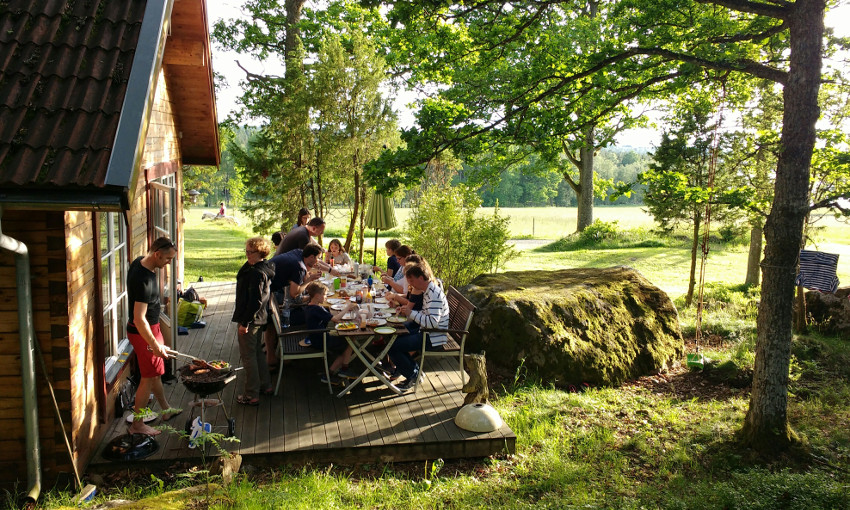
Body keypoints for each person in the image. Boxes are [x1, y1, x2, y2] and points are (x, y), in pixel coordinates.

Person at [126, 237, 179, 435]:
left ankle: (165, 410)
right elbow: (139, 318)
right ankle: (137, 425)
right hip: (144, 333)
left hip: (149, 330)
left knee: (155, 371)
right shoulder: (145, 280)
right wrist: (155, 345)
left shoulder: (138, 262)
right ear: (157, 254)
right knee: (147, 377)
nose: (169, 263)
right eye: (167, 259)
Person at [264, 244, 339, 367]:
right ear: (310, 256)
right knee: (319, 314)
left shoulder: (300, 252)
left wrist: (329, 270)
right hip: (274, 295)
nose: (317, 262)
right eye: (317, 258)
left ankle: (271, 355)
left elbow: (314, 263)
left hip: (268, 287)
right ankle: (318, 342)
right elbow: (294, 293)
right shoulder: (299, 268)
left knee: (271, 323)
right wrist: (309, 281)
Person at [388, 263, 450, 391]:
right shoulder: (428, 291)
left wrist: (411, 313)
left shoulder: (434, 294)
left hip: (433, 337)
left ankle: (413, 375)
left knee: (393, 347)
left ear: (421, 278)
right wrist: (407, 310)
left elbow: (432, 323)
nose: (410, 284)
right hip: (427, 331)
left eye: (411, 280)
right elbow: (426, 314)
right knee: (393, 336)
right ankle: (414, 371)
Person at [232, 236, 276, 405]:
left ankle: (251, 394)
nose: (247, 255)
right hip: (259, 318)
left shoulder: (257, 273)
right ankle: (266, 385)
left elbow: (255, 301)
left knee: (248, 356)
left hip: (251, 319)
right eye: (247, 251)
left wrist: (244, 323)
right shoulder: (262, 267)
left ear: (261, 253)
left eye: (251, 252)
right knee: (257, 352)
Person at [302, 281, 360, 385]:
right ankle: (338, 371)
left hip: (315, 337)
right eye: (324, 295)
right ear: (317, 296)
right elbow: (336, 319)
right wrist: (347, 307)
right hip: (321, 340)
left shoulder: (310, 306)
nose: (325, 298)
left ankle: (338, 370)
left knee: (347, 340)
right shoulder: (317, 309)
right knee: (349, 340)